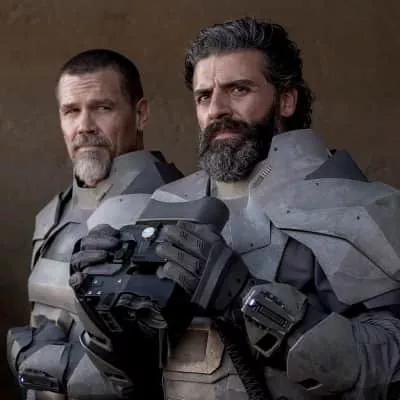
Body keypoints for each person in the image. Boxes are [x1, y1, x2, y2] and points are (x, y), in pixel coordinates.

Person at [70, 18, 400, 400]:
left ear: (287, 100)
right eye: (203, 96)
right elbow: (132, 382)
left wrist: (246, 298)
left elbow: (389, 367)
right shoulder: (165, 204)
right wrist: (100, 316)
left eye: (239, 89)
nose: (216, 110)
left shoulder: (354, 205)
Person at [6, 49, 182, 399]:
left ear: (141, 114)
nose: (84, 126)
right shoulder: (51, 216)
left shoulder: (175, 206)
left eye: (102, 108)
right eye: (71, 111)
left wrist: (57, 364)